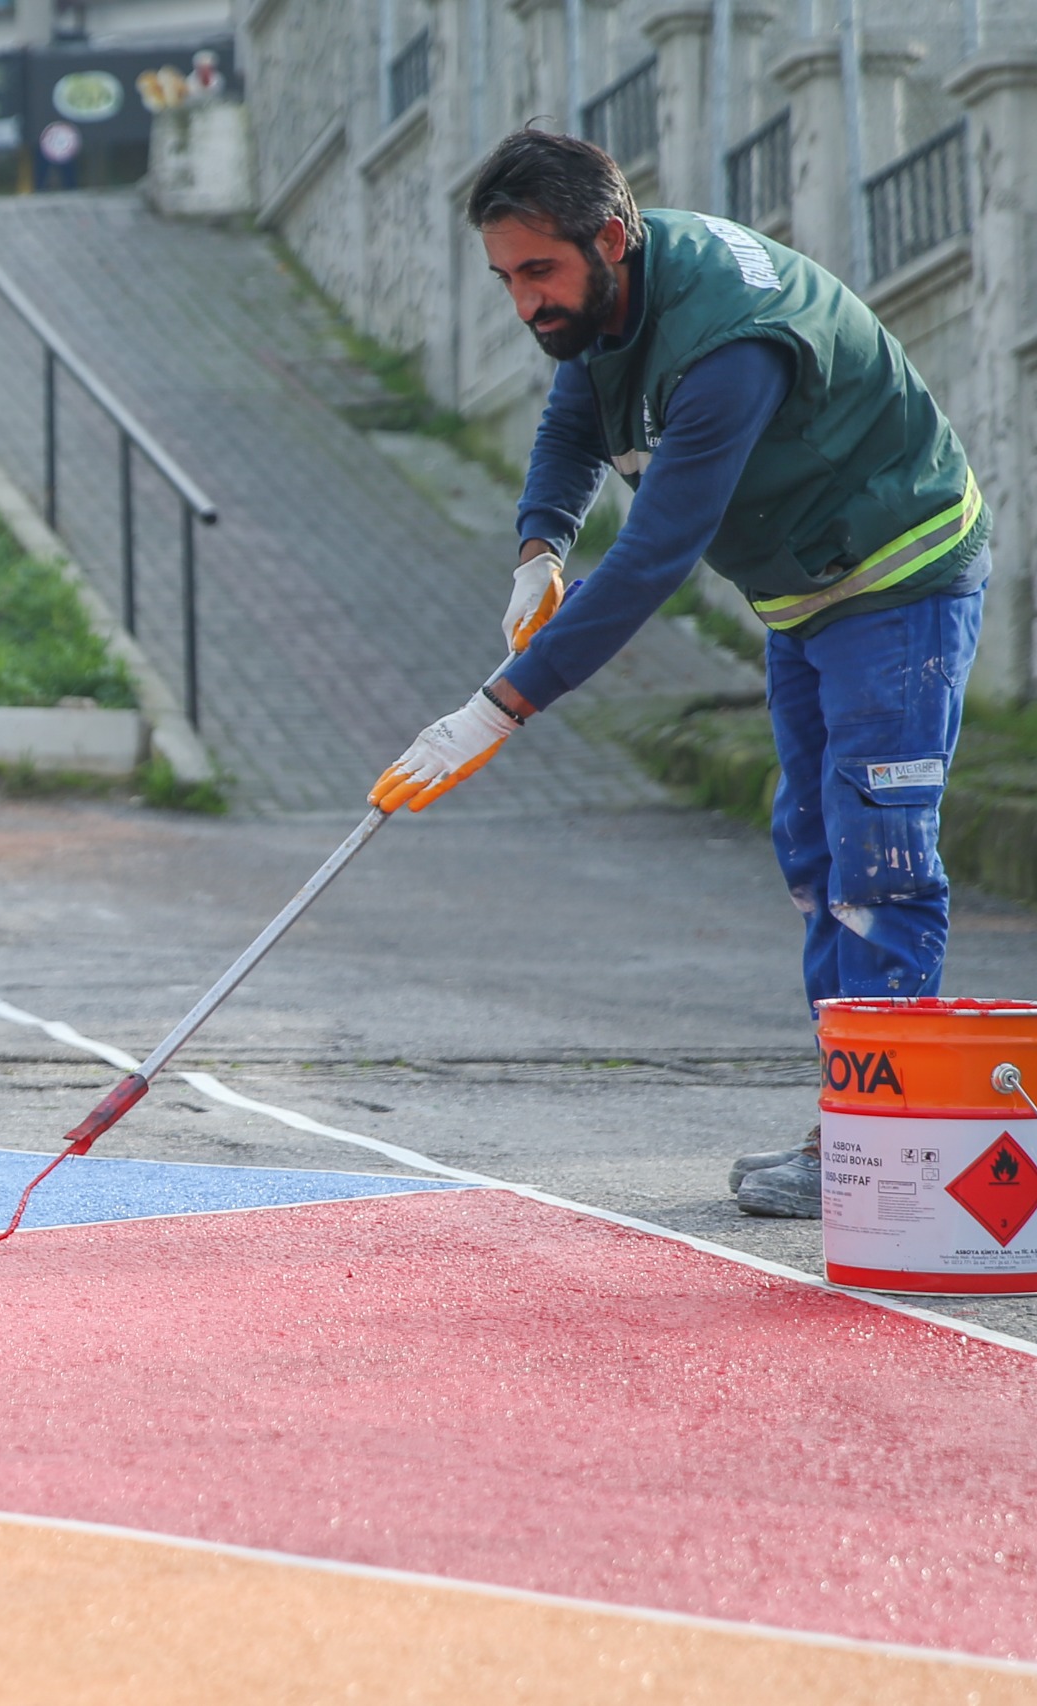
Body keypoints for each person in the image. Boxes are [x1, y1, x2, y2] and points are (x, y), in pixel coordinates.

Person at [375, 130, 990, 1219]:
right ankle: (845, 1126)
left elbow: (655, 553)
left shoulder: (727, 347)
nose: (524, 304)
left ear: (609, 236)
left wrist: (498, 709)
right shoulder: (613, 298)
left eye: (538, 271)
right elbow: (576, 417)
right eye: (507, 277)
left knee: (876, 860)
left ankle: (887, 1148)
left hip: (896, 580)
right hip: (804, 593)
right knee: (812, 850)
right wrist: (539, 547)